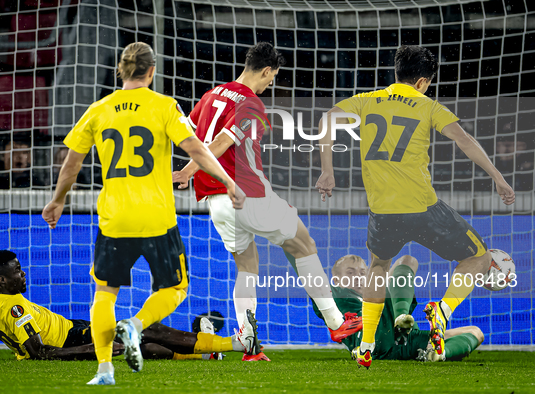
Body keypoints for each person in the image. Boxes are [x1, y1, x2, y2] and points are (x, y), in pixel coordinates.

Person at [42, 42, 244, 385]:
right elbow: (195, 148)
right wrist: (228, 181)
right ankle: (134, 326)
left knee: (105, 292)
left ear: (120, 71)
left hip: (115, 217)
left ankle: (104, 369)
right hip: (156, 217)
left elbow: (72, 164)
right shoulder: (165, 106)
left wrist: (57, 200)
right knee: (176, 288)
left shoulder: (98, 109)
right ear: (151, 71)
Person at [315, 45, 515, 368]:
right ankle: (443, 311)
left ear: (396, 73)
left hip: (381, 210)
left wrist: (327, 170)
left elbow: (327, 120)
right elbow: (464, 140)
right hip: (422, 207)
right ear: (422, 82)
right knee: (479, 256)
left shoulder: (368, 100)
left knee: (378, 267)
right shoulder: (427, 105)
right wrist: (497, 177)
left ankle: (365, 345)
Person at [173, 42, 348, 362]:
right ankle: (337, 322)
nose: (271, 84)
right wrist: (189, 170)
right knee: (304, 243)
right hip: (246, 193)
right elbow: (223, 141)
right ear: (266, 71)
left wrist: (188, 171)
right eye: (273, 77)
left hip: (215, 202)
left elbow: (192, 136)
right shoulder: (252, 104)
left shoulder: (212, 94)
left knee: (246, 266)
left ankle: (248, 340)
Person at [0, 250, 262, 362]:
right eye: (17, 271)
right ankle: (234, 343)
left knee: (146, 345)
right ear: (0, 279)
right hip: (73, 340)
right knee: (147, 330)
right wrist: (99, 351)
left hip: (72, 329)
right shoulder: (16, 310)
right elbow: (41, 354)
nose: (23, 274)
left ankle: (210, 352)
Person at [309, 254, 484, 362]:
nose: (358, 276)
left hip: (406, 342)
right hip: (370, 339)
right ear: (337, 279)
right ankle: (401, 317)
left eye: (363, 272)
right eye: (350, 272)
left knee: (476, 332)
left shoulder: (378, 291)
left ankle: (437, 353)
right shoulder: (336, 295)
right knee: (406, 261)